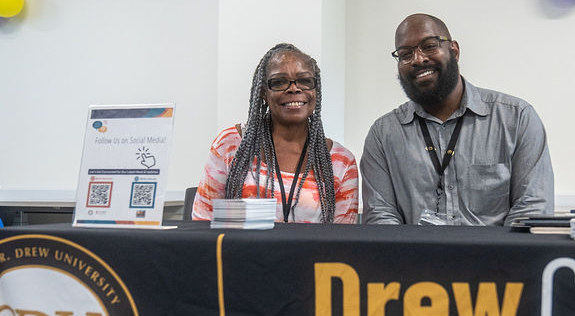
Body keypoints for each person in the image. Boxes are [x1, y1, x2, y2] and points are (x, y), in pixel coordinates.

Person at [361, 13, 554, 226]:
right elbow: (381, 216)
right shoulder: (383, 134)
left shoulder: (516, 118)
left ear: (454, 50)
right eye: (405, 54)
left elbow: (532, 210)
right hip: (415, 258)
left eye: (429, 46)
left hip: (498, 258)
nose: (418, 59)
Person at [193, 43, 359, 223]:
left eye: (305, 80)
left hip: (313, 252)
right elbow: (203, 220)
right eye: (279, 82)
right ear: (264, 92)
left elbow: (342, 241)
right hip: (239, 251)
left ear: (316, 90)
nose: (294, 88)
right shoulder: (230, 144)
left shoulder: (341, 162)